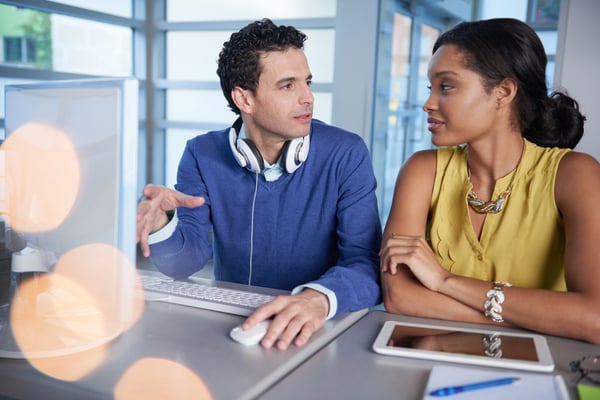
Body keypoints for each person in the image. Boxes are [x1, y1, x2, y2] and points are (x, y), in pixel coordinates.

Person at [136, 18, 382, 350]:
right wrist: (162, 225)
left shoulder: (346, 152)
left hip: (317, 328)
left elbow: (365, 262)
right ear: (244, 99)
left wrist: (318, 300)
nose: (308, 97)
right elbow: (186, 261)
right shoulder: (201, 153)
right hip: (234, 328)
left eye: (307, 82)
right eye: (288, 86)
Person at [380, 18, 600, 344]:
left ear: (503, 93)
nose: (428, 104)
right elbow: (400, 298)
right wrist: (541, 318)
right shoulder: (421, 170)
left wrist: (444, 281)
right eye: (431, 88)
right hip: (428, 363)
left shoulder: (575, 174)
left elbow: (593, 318)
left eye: (447, 87)